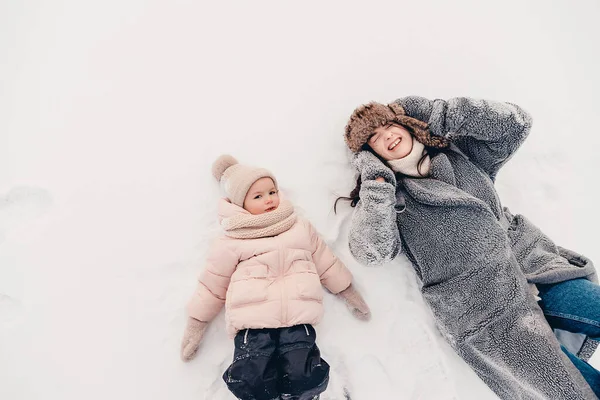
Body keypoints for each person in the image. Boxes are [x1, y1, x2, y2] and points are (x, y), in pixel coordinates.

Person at [338, 97, 599, 399]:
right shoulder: (391, 199)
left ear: (406, 124)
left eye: (389, 124)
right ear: (372, 154)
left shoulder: (460, 156)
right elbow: (370, 251)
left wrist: (440, 114)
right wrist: (376, 184)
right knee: (578, 391)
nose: (386, 135)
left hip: (534, 269)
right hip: (487, 312)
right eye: (374, 138)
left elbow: (516, 125)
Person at [181, 154, 371, 400]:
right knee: (252, 376)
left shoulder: (299, 227)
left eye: (272, 192)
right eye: (258, 196)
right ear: (241, 204)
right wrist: (197, 323)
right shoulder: (232, 240)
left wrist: (347, 291)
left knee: (304, 373)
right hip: (253, 324)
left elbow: (326, 263)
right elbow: (212, 284)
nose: (269, 200)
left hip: (298, 319)